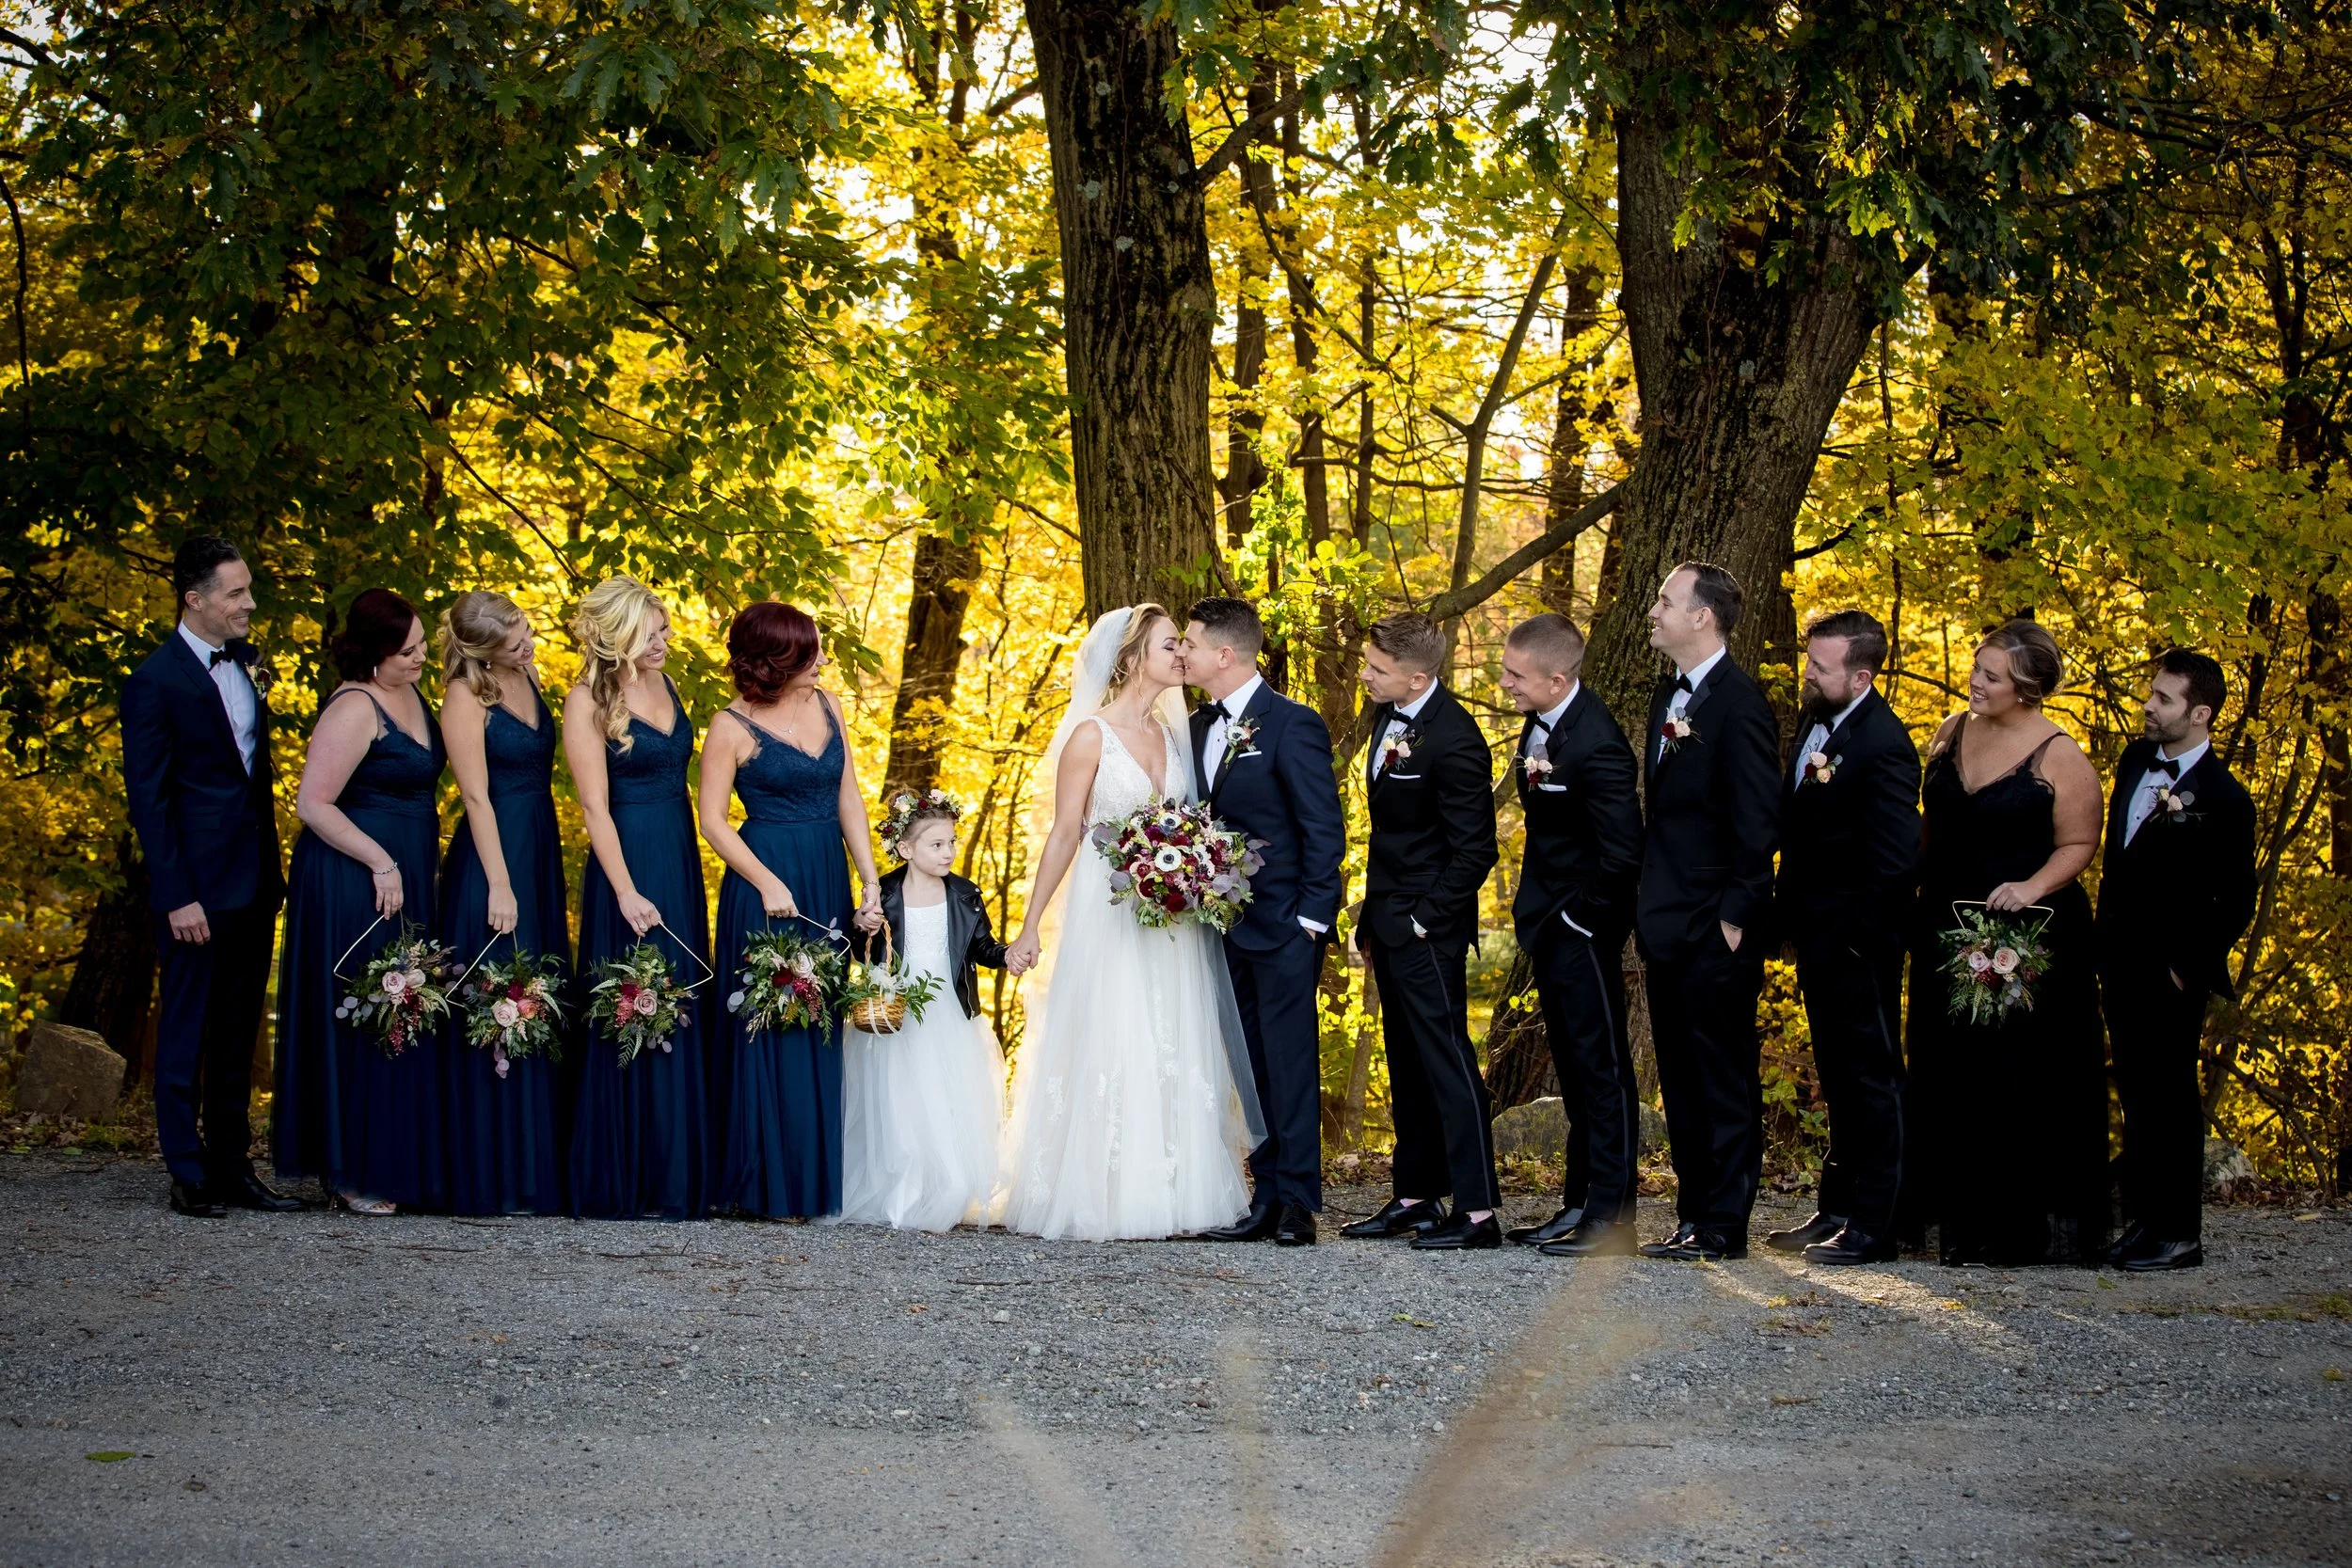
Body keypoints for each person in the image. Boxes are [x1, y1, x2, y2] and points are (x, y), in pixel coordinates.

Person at [997, 605, 1260, 1242]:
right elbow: (1064, 833)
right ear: (1132, 656)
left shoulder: (1178, 738)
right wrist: (1029, 927)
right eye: (1171, 645)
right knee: (1115, 1032)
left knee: (1171, 1034)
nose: (1182, 655)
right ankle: (1104, 1191)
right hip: (1108, 913)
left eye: (1182, 645)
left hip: (1172, 919)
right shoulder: (1090, 734)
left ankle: (1175, 1190)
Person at [1909, 619, 2108, 1266]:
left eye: (1990, 675)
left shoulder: (2059, 754)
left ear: (2026, 688)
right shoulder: (1950, 731)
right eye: (1975, 667)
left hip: (2024, 933)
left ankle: (2018, 1223)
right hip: (1947, 922)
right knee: (1949, 1063)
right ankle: (1956, 1213)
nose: (1975, 681)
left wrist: (2031, 886)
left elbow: (2079, 843)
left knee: (2015, 1073)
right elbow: (1931, 821)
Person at [120, 537, 300, 1218]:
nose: (250, 602)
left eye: (248, 588)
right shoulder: (154, 681)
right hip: (194, 890)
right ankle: (186, 1167)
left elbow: (250, 777)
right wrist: (176, 895)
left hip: (254, 882)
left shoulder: (247, 665)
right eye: (236, 592)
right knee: (188, 1028)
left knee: (234, 1029)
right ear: (194, 600)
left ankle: (233, 1164)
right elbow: (151, 800)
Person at [699, 602, 885, 1220]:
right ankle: (762, 1186)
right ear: (775, 662)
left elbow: (849, 796)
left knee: (818, 1021)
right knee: (771, 1020)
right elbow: (713, 822)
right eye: (809, 654)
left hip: (825, 870)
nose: (822, 662)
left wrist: (868, 877)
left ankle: (812, 1182)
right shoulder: (729, 726)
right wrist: (764, 880)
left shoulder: (827, 704)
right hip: (766, 881)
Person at [273, 589, 448, 1215]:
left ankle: (396, 1158)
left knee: (406, 1010)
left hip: (408, 871)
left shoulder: (413, 696)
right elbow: (312, 802)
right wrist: (380, 859)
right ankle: (349, 1168)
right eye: (410, 650)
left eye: (424, 643)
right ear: (376, 654)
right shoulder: (353, 705)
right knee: (369, 1009)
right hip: (357, 874)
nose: (423, 656)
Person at [1182, 597, 1346, 1248]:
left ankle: (1300, 1203)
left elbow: (1322, 827)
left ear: (1225, 654)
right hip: (1219, 929)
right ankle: (1266, 1194)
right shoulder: (1195, 728)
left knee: (1290, 1062)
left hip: (1283, 926)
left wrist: (1311, 919)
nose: (1184, 652)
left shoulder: (1292, 724)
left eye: (1191, 642)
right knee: (1248, 1065)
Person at [1635, 562, 1781, 1262]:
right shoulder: (1669, 693)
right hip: (1666, 920)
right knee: (1681, 1077)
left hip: (1715, 927)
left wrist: (1734, 918)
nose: (1654, 609)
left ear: (1703, 616)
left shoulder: (1741, 705)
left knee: (1723, 1077)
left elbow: (1759, 825)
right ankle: (1693, 1214)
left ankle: (1726, 1222)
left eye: (1667, 599)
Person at [1343, 611, 1503, 1250]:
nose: (1363, 674)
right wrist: (1372, 915)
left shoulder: (1457, 739)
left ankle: (1479, 1210)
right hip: (1388, 919)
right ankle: (1415, 1196)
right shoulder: (1389, 713)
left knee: (1449, 1064)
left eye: (1376, 669)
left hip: (1427, 931)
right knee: (1407, 1063)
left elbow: (1475, 851)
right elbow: (1394, 833)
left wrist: (1418, 921)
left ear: (1416, 676)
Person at [1765, 610, 1920, 1265]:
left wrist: (1855, 939)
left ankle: (1878, 1223)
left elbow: (1894, 860)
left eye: (1820, 667)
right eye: (1809, 661)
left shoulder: (1885, 744)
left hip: (1860, 945)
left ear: (1861, 675)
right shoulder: (1816, 719)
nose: (1808, 673)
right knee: (1836, 1074)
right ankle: (1836, 1206)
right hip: (1816, 934)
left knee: (1872, 1079)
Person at [2096, 649, 2257, 1273]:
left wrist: (2184, 968)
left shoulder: (2224, 798)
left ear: (2200, 712)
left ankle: (2180, 1233)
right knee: (2137, 1097)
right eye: (2151, 694)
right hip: (2120, 964)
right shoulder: (2135, 762)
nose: (2148, 706)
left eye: (2163, 699)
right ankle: (2144, 1222)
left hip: (2170, 975)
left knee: (2171, 1099)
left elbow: (2236, 900)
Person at [1495, 612, 1645, 1259]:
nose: (1504, 683)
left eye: (1515, 675)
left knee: (1602, 1071)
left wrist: (1578, 919)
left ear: (1558, 679)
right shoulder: (1541, 724)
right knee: (1578, 1073)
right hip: (1549, 923)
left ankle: (1610, 1218)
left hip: (1581, 929)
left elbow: (1622, 854)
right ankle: (1580, 1201)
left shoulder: (1599, 743)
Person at [564, 577, 713, 1221]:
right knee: (632, 1003)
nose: (665, 639)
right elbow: (594, 807)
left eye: (664, 628)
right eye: (653, 631)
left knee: (680, 996)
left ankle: (678, 1176)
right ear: (619, 633)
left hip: (676, 853)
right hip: (625, 863)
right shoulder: (585, 700)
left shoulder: (667, 685)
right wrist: (624, 890)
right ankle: (625, 1174)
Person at [437, 591, 568, 1216]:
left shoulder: (528, 676)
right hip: (494, 856)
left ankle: (534, 1170)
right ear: (482, 650)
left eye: (524, 629)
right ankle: (488, 1171)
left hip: (538, 844)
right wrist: (499, 881)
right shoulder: (466, 696)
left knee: (538, 995)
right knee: (497, 998)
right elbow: (476, 796)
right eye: (513, 639)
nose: (527, 641)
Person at [839, 792, 1016, 1231]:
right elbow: (863, 954)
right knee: (900, 1101)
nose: (949, 852)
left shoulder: (964, 894)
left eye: (952, 842)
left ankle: (948, 1190)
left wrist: (1008, 955)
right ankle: (903, 1190)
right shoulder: (886, 895)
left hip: (950, 1014)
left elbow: (980, 947)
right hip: (899, 1014)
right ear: (906, 850)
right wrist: (859, 924)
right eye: (937, 845)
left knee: (949, 1099)